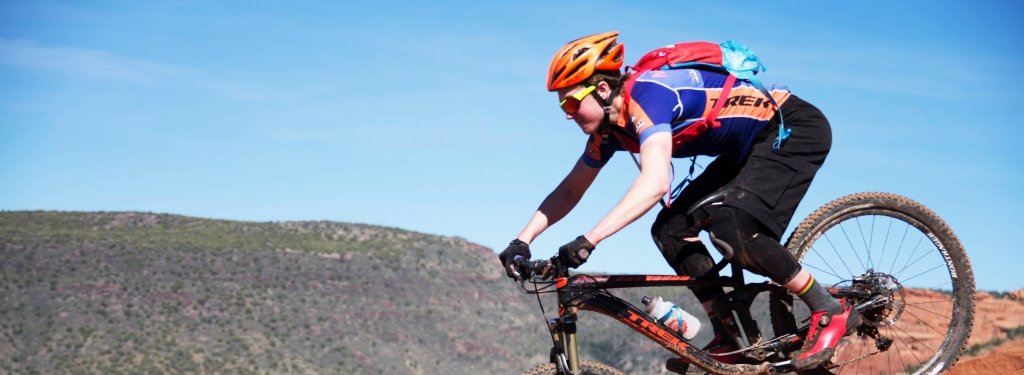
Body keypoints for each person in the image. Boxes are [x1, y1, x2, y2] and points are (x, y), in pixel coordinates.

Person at [496, 31, 860, 371]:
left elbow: (654, 184)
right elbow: (570, 189)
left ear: (603, 89)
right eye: (562, 105)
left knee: (733, 225)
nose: (567, 113)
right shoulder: (609, 131)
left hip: (792, 129)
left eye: (572, 102)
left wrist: (590, 239)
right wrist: (521, 240)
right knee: (670, 229)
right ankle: (732, 336)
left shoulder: (649, 97)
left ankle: (830, 308)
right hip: (745, 151)